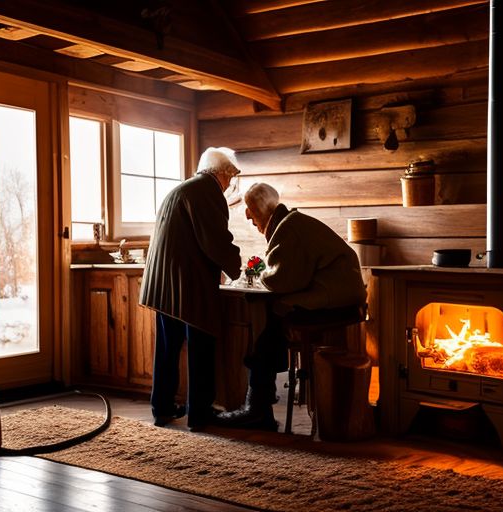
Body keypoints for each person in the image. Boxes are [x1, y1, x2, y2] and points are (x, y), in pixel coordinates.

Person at [215, 182, 367, 430]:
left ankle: (258, 406)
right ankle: (262, 399)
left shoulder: (288, 229)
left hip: (336, 298)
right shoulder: (291, 223)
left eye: (252, 214)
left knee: (271, 321)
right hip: (339, 294)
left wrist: (259, 273)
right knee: (273, 319)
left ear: (261, 210)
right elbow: (291, 272)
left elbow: (280, 281)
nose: (250, 219)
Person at [139, 147, 242, 430]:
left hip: (163, 283)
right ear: (219, 174)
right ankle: (200, 414)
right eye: (229, 179)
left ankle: (162, 408)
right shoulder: (207, 190)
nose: (228, 185)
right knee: (201, 347)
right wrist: (237, 268)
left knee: (167, 349)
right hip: (186, 284)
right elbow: (216, 240)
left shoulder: (183, 189)